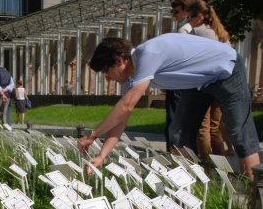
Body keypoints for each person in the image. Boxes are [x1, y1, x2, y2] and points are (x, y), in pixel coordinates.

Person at [77, 36, 260, 180]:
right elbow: (121, 119)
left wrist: (92, 135)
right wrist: (101, 155)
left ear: (118, 60)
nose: (108, 79)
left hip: (226, 70)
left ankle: (254, 201)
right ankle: (188, 191)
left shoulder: (148, 55)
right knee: (178, 133)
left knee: (239, 133)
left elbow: (126, 106)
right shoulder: (131, 79)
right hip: (197, 83)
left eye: (106, 72)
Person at [185, 0, 235, 160]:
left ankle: (205, 168)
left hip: (204, 84)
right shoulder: (220, 32)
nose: (188, 22)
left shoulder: (197, 32)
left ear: (199, 16)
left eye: (190, 18)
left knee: (203, 127)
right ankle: (222, 168)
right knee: (215, 127)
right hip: (222, 84)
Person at [164, 0, 196, 149]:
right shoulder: (193, 28)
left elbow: (181, 59)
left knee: (174, 122)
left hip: (179, 83)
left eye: (176, 11)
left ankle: (174, 156)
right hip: (190, 83)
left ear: (186, 11)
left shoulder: (184, 30)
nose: (174, 15)